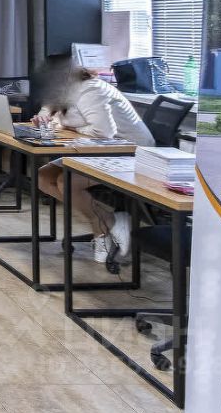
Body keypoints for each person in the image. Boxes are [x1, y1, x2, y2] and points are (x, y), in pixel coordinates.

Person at [31, 58, 155, 263]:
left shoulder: (91, 90)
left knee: (66, 182)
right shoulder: (63, 92)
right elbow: (48, 109)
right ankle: (109, 220)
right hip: (98, 150)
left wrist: (68, 127)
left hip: (131, 152)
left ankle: (101, 229)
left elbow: (104, 132)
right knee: (43, 177)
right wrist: (43, 117)